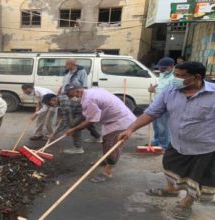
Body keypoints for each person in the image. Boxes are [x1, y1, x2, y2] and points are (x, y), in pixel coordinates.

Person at [118, 62, 215, 219]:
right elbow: (152, 112)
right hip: (177, 143)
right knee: (169, 166)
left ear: (196, 77)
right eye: (175, 75)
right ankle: (171, 190)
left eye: (180, 76)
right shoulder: (170, 90)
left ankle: (186, 203)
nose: (174, 79)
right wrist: (130, 129)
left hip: (205, 147)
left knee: (197, 179)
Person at [65, 83, 136, 182]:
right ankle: (106, 160)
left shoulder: (88, 100)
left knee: (112, 145)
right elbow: (89, 115)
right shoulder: (92, 91)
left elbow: (91, 121)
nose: (71, 98)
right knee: (106, 141)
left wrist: (74, 129)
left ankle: (107, 173)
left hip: (120, 121)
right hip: (112, 119)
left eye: (70, 96)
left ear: (77, 91)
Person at [54, 85, 102, 154]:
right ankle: (98, 137)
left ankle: (78, 148)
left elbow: (66, 120)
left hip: (84, 111)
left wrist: (56, 133)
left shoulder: (64, 103)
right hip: (85, 110)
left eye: (53, 104)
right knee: (88, 125)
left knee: (74, 125)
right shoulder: (63, 98)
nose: (54, 106)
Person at [148, 57, 174, 150]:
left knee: (162, 126)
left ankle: (164, 145)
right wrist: (151, 89)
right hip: (155, 103)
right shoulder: (161, 75)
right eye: (159, 67)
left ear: (171, 67)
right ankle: (156, 140)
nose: (160, 69)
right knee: (156, 125)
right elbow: (158, 88)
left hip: (165, 105)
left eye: (163, 68)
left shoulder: (174, 78)